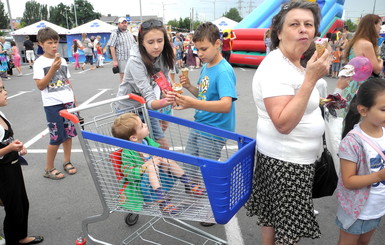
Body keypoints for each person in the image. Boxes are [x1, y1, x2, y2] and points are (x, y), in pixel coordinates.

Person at [244, 1, 330, 244]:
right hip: (287, 163)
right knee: (288, 232)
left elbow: (298, 102)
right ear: (279, 33)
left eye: (308, 24)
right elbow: (283, 122)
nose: (303, 29)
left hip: (288, 158)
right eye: (295, 24)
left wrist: (320, 98)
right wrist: (312, 79)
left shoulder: (295, 62)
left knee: (273, 219)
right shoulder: (275, 67)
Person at [174, 22, 237, 227]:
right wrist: (190, 87)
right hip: (200, 124)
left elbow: (225, 105)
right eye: (197, 49)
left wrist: (193, 103)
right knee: (190, 165)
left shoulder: (223, 71)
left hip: (214, 130)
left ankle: (213, 209)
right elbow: (204, 96)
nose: (199, 53)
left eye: (204, 49)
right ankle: (199, 199)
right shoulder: (206, 66)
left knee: (209, 171)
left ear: (217, 44)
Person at [111, 113, 204, 213]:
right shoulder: (127, 153)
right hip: (143, 188)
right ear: (133, 138)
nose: (145, 124)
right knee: (151, 167)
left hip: (159, 179)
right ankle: (162, 200)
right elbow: (128, 174)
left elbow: (158, 155)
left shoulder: (146, 141)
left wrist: (160, 159)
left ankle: (188, 183)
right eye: (142, 126)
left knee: (167, 160)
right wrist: (146, 166)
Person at [114, 19, 176, 150]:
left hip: (145, 106)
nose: (156, 46)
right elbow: (148, 98)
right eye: (150, 42)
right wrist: (166, 101)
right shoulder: (135, 61)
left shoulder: (162, 56)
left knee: (161, 147)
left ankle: (155, 167)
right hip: (128, 110)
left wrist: (170, 95)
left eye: (160, 41)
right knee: (135, 152)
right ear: (141, 42)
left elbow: (164, 83)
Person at [337, 78, 385, 245]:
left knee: (364, 242)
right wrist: (380, 175)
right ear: (363, 110)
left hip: (377, 207)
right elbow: (349, 181)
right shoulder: (352, 142)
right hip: (356, 210)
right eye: (384, 109)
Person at [0, 78, 44, 244]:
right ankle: (13, 239)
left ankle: (21, 236)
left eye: (4, 88)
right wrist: (10, 149)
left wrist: (17, 146)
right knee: (12, 206)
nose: (5, 92)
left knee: (21, 202)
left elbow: (7, 140)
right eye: (0, 90)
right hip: (3, 171)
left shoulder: (1, 114)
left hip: (12, 165)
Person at [33, 27, 78, 180]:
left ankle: (67, 161)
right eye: (50, 43)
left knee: (69, 134)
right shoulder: (39, 63)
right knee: (56, 137)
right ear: (40, 44)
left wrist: (75, 103)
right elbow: (40, 85)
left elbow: (67, 82)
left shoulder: (63, 60)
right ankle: (48, 168)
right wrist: (52, 69)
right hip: (53, 105)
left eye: (56, 42)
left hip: (68, 103)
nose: (54, 46)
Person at [341, 14, 383, 117]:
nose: (380, 28)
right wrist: (381, 61)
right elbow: (377, 69)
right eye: (379, 25)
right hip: (362, 87)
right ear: (373, 26)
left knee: (349, 119)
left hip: (350, 85)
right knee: (359, 119)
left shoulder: (355, 41)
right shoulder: (366, 44)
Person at [106, 17, 136, 83]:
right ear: (119, 24)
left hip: (131, 58)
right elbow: (112, 47)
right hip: (122, 59)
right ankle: (123, 92)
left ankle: (130, 91)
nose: (124, 24)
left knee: (132, 76)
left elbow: (134, 44)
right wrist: (115, 61)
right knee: (123, 77)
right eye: (122, 23)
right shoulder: (115, 33)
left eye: (125, 23)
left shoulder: (129, 33)